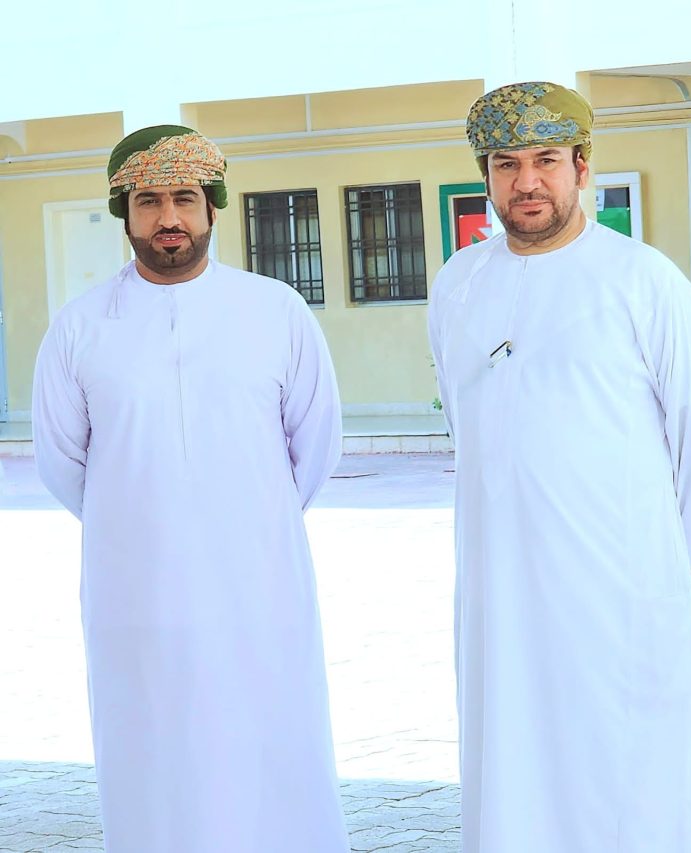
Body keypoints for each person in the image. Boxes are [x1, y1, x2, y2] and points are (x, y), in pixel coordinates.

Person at [428, 82, 691, 853]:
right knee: (513, 779)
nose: (526, 181)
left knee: (627, 790)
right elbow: (469, 430)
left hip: (618, 601)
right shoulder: (458, 284)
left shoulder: (643, 280)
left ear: (582, 166)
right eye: (506, 163)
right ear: (486, 174)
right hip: (499, 598)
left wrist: (649, 565)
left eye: (545, 159)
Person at [33, 125, 350, 853]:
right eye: (148, 201)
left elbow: (315, 443)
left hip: (258, 582)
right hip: (135, 591)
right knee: (151, 750)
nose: (167, 218)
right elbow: (61, 460)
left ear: (213, 206)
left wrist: (247, 518)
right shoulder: (80, 327)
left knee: (270, 743)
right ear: (124, 212)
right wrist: (139, 520)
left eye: (184, 198)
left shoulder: (275, 311)